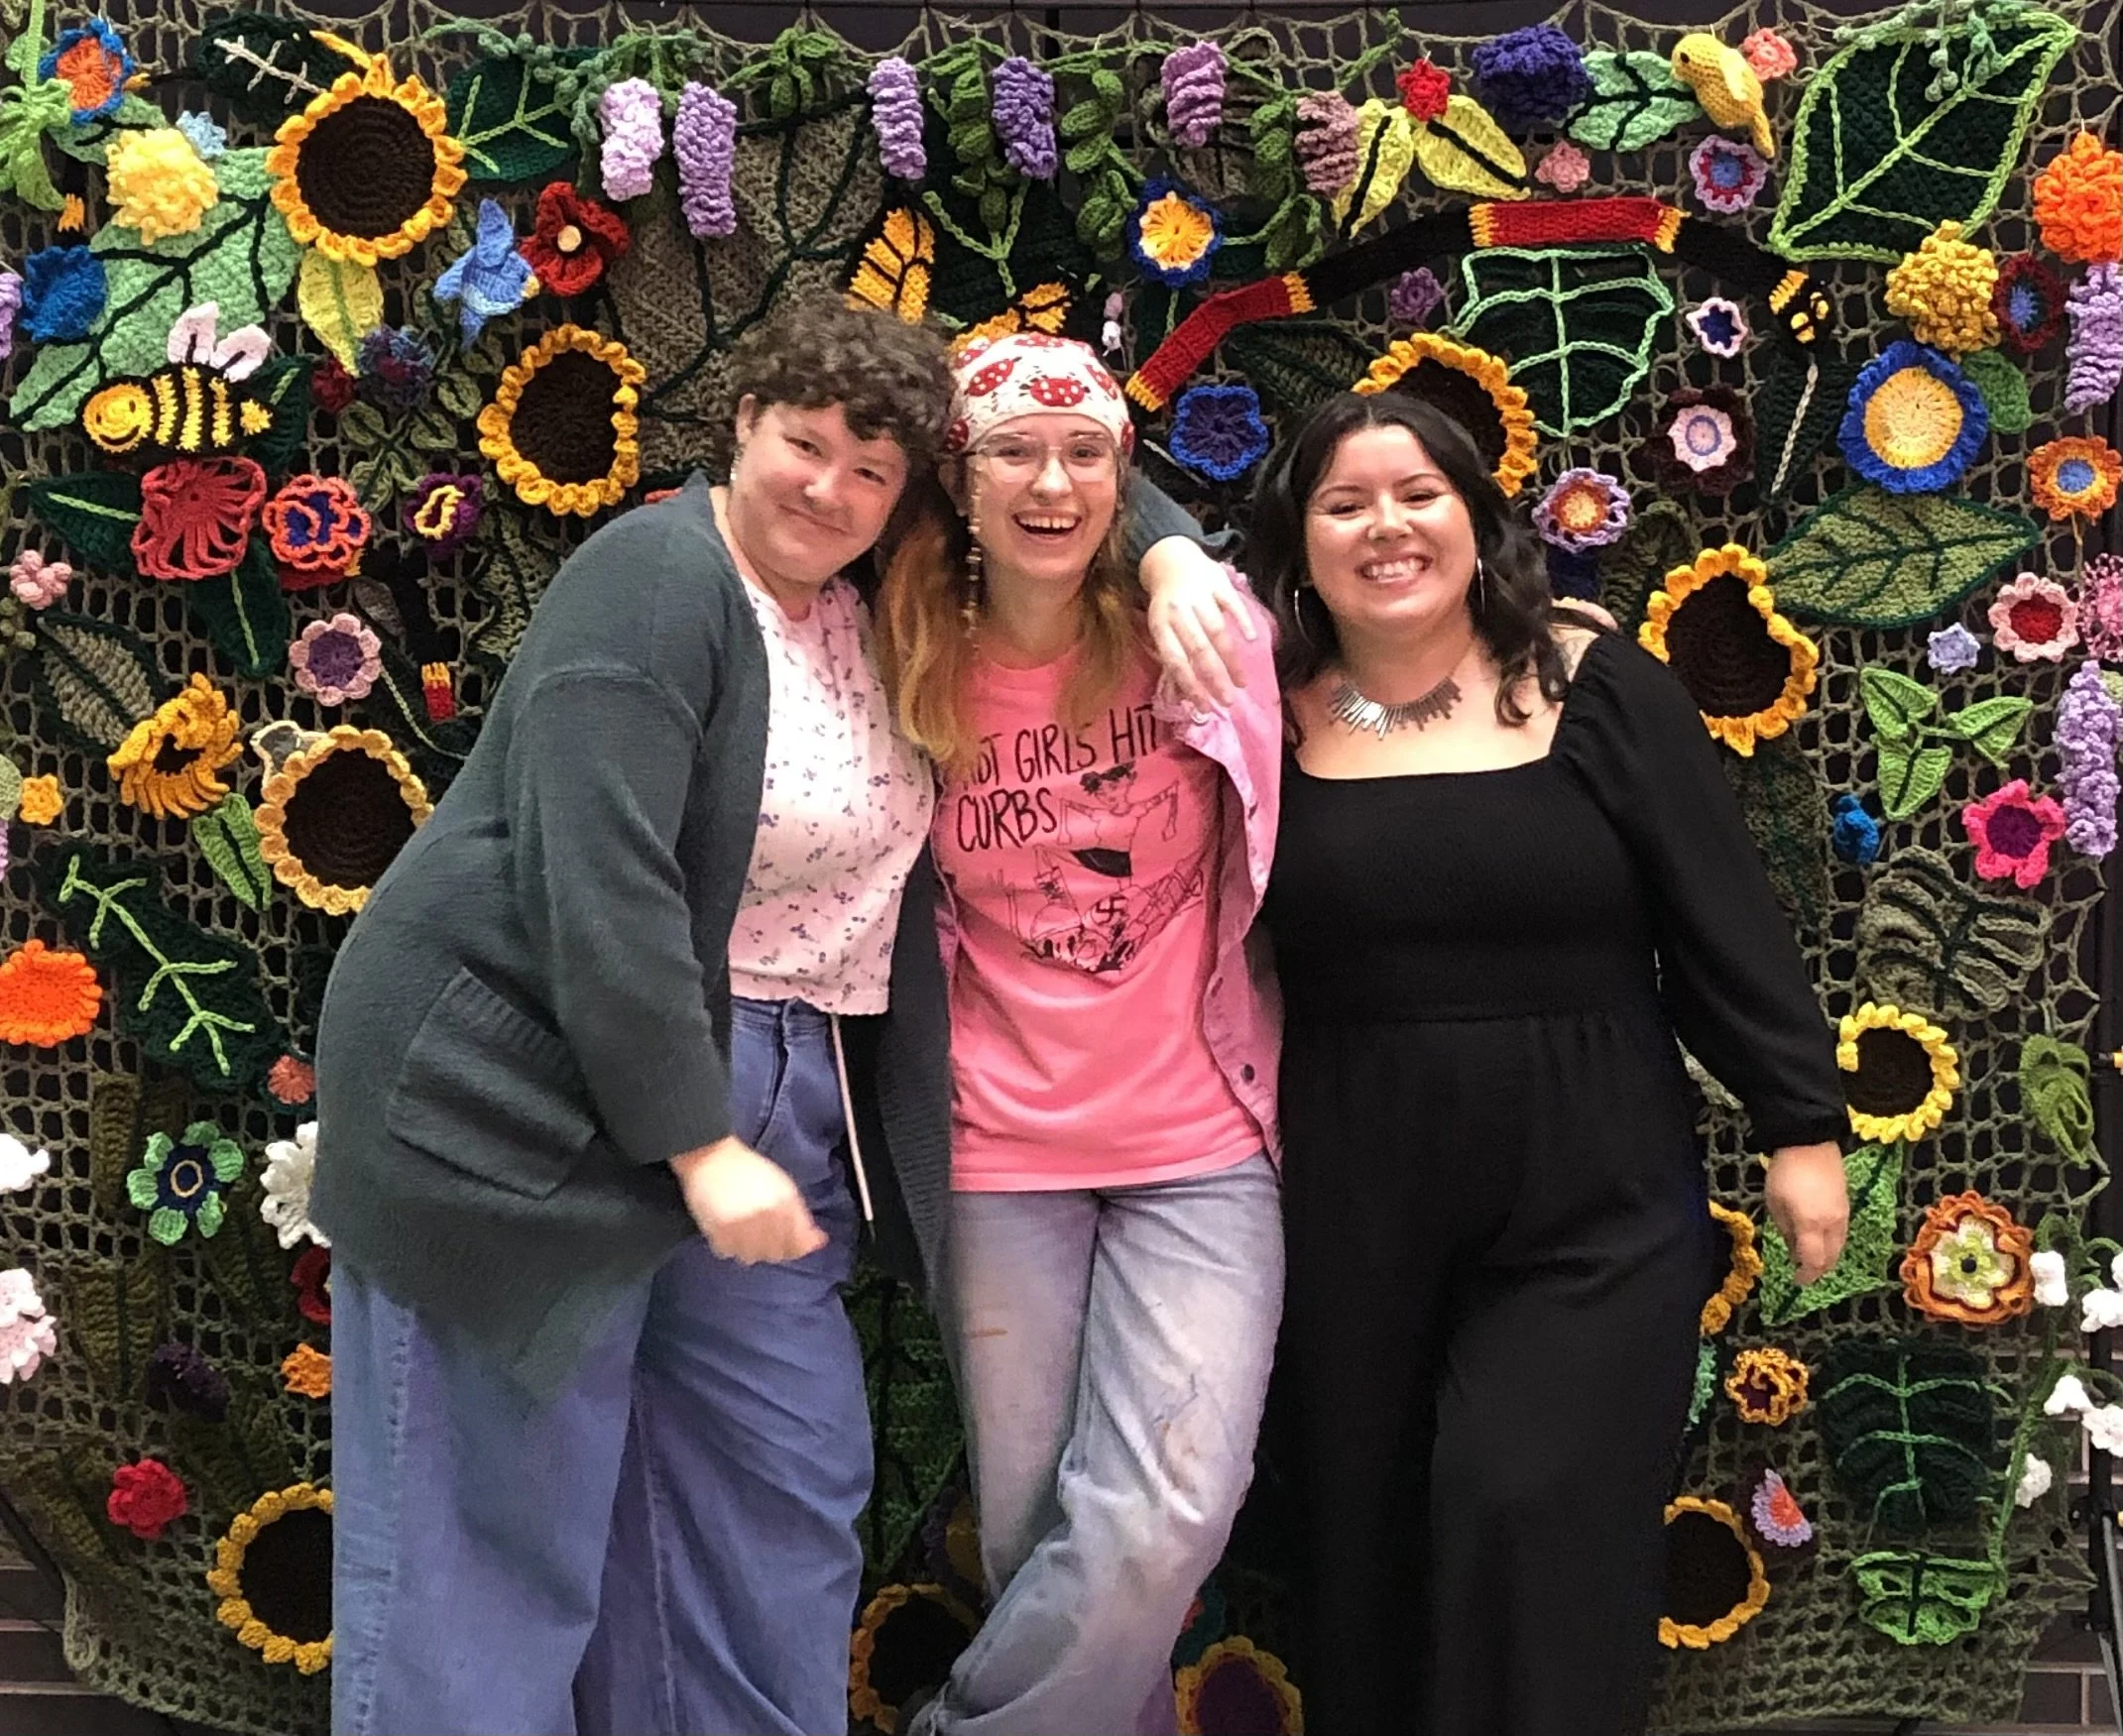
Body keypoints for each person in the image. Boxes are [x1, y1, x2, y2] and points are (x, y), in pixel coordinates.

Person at [311, 298, 1228, 1736]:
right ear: (739, 428)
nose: (833, 489)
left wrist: (1168, 541)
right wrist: (693, 1139)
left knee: (772, 1502)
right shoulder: (657, 577)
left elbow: (1055, 465)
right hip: (534, 1111)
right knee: (494, 1544)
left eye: (873, 470)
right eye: (804, 446)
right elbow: (598, 884)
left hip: (787, 1106)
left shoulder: (877, 598)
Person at [1231, 389, 1850, 1736]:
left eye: (1418, 495)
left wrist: (1800, 1124)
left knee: (1527, 1502)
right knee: (1369, 1529)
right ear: (1300, 536)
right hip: (1352, 1189)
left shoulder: (1591, 680)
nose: (1385, 526)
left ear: (1475, 518)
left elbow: (1721, 910)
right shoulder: (1255, 714)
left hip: (1594, 1188)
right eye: (1345, 503)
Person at [873, 331, 1285, 1736]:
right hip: (1000, 1155)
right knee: (1041, 1531)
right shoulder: (895, 649)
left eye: (1087, 452)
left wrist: (1175, 552)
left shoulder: (1198, 634)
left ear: (1125, 471)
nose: (1051, 482)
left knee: (1168, 1511)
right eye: (1013, 451)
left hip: (1199, 1141)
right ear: (959, 474)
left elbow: (1382, 671)